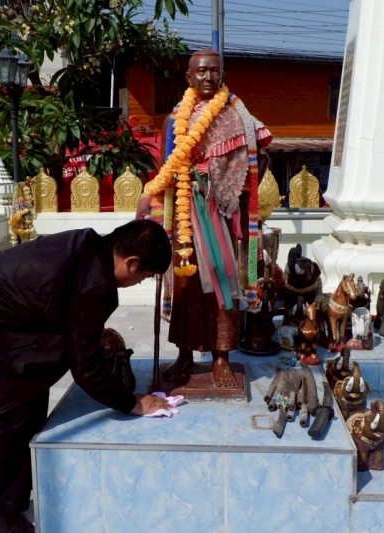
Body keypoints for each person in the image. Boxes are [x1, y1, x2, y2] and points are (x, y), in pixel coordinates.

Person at [0, 220, 173, 533]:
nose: (137, 283)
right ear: (131, 263)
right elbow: (86, 369)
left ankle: (15, 497)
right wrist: (131, 403)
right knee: (13, 411)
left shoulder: (86, 247)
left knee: (32, 394)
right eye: (143, 277)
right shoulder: (95, 283)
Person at [137, 49, 272, 388]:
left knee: (223, 282)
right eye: (201, 71)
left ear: (222, 74)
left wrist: (228, 184)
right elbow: (164, 168)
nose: (209, 77)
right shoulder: (175, 118)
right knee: (186, 284)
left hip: (220, 212)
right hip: (184, 212)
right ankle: (184, 355)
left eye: (215, 70)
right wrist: (152, 201)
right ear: (189, 77)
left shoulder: (238, 115)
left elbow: (259, 157)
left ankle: (222, 358)